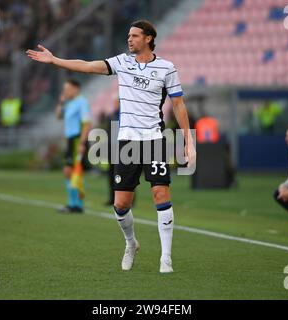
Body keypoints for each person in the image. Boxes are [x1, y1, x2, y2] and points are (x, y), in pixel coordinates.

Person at [27, 19, 196, 273]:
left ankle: (166, 258)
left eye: (135, 35)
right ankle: (131, 244)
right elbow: (86, 66)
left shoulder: (166, 68)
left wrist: (188, 141)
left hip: (154, 139)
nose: (129, 39)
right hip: (127, 141)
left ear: (149, 38)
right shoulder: (122, 62)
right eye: (128, 35)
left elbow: (179, 105)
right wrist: (55, 60)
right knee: (120, 205)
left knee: (161, 194)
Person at [55, 79, 91, 213]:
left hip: (77, 139)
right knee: (69, 172)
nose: (65, 92)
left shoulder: (82, 102)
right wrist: (61, 101)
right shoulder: (70, 103)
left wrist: (82, 143)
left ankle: (76, 204)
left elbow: (87, 123)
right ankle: (74, 204)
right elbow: (58, 116)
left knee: (72, 171)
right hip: (71, 140)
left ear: (76, 89)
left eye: (67, 89)